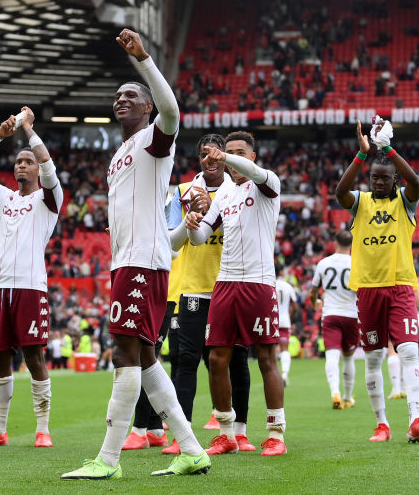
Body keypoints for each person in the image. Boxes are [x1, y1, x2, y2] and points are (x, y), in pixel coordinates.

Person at [62, 29, 210, 479]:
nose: (121, 99)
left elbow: (172, 112)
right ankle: (192, 450)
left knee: (123, 353)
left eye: (131, 95)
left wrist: (143, 60)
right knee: (144, 357)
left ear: (147, 107)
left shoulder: (153, 141)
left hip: (141, 263)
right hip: (129, 262)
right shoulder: (118, 156)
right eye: (118, 96)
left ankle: (108, 460)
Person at [0, 106, 61, 449]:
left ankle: (42, 429)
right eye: (18, 161)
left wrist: (29, 130)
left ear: (36, 168)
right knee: (0, 357)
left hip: (30, 288)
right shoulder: (3, 198)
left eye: (27, 161)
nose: (22, 165)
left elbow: (48, 165)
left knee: (34, 358)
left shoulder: (49, 198)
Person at [334, 116, 419, 443]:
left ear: (394, 180)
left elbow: (415, 181)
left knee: (409, 351)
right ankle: (382, 424)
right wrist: (362, 155)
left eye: (385, 178)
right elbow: (340, 192)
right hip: (367, 289)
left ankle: (415, 419)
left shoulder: (405, 202)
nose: (379, 182)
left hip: (400, 285)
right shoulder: (360, 202)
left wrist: (388, 149)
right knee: (375, 357)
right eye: (375, 177)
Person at [185, 131, 287, 457]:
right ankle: (226, 433)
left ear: (252, 156)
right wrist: (191, 222)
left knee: (266, 358)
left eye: (239, 152)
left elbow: (253, 173)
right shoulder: (225, 194)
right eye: (227, 152)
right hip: (225, 283)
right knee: (217, 359)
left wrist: (224, 156)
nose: (229, 158)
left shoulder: (267, 183)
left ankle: (276, 434)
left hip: (259, 282)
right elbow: (201, 237)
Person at [158, 134, 254, 454]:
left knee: (236, 360)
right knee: (185, 361)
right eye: (204, 155)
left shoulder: (239, 189)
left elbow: (244, 232)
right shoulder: (183, 191)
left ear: (224, 157)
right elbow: (171, 244)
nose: (210, 160)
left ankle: (239, 433)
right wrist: (188, 223)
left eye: (216, 154)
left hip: (231, 285)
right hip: (194, 287)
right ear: (199, 158)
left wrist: (212, 213)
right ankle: (182, 436)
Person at [308, 230, 358, 409]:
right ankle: (347, 397)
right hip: (351, 314)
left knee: (332, 355)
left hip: (330, 315)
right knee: (348, 358)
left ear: (335, 243)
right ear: (351, 245)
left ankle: (334, 392)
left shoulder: (324, 263)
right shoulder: (356, 263)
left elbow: (313, 291)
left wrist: (315, 303)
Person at [275, 269, 296, 387]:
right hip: (284, 321)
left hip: (271, 320)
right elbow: (295, 306)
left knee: (270, 349)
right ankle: (284, 374)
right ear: (281, 272)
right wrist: (289, 317)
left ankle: (273, 375)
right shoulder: (288, 286)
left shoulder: (270, 284)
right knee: (284, 349)